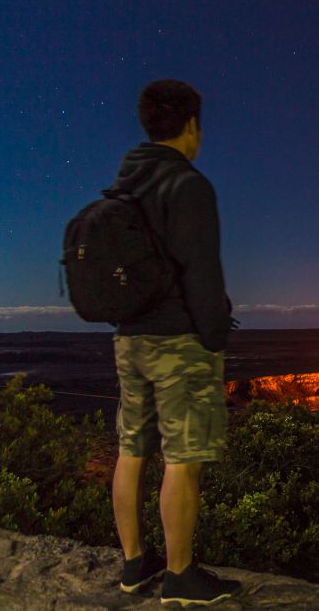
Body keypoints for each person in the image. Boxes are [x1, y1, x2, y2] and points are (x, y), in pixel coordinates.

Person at [109, 79, 241, 605]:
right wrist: (213, 337)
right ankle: (180, 577)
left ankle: (134, 564)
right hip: (178, 343)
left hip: (129, 339)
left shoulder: (124, 184)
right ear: (190, 125)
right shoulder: (189, 185)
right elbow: (202, 272)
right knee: (184, 458)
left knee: (131, 449)